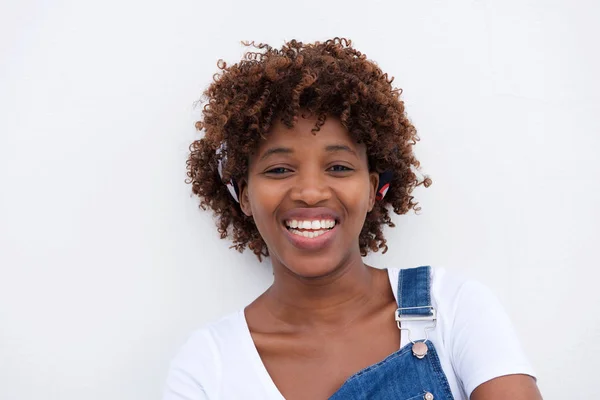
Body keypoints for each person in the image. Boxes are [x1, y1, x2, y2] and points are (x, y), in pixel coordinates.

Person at [163, 38, 541, 399]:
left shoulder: (453, 309)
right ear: (244, 195)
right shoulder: (207, 366)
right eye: (279, 170)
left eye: (339, 167)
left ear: (373, 189)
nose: (310, 192)